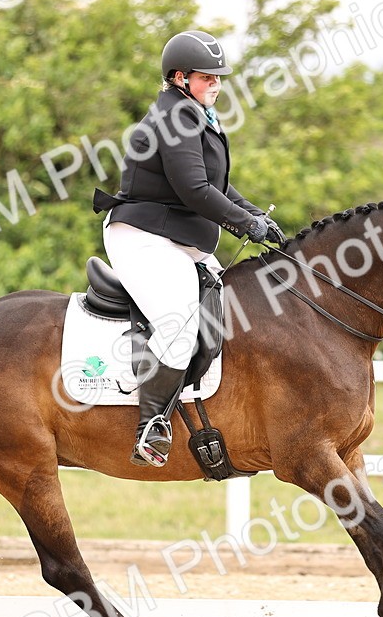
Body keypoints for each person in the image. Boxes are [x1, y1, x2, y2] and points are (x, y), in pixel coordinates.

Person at [93, 29, 283, 468]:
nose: (216, 84)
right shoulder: (173, 119)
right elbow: (196, 190)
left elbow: (217, 184)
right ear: (179, 77)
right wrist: (243, 224)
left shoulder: (196, 114)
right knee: (179, 327)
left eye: (219, 78)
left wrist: (256, 215)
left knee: (235, 306)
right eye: (207, 77)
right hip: (143, 237)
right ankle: (150, 427)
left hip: (177, 239)